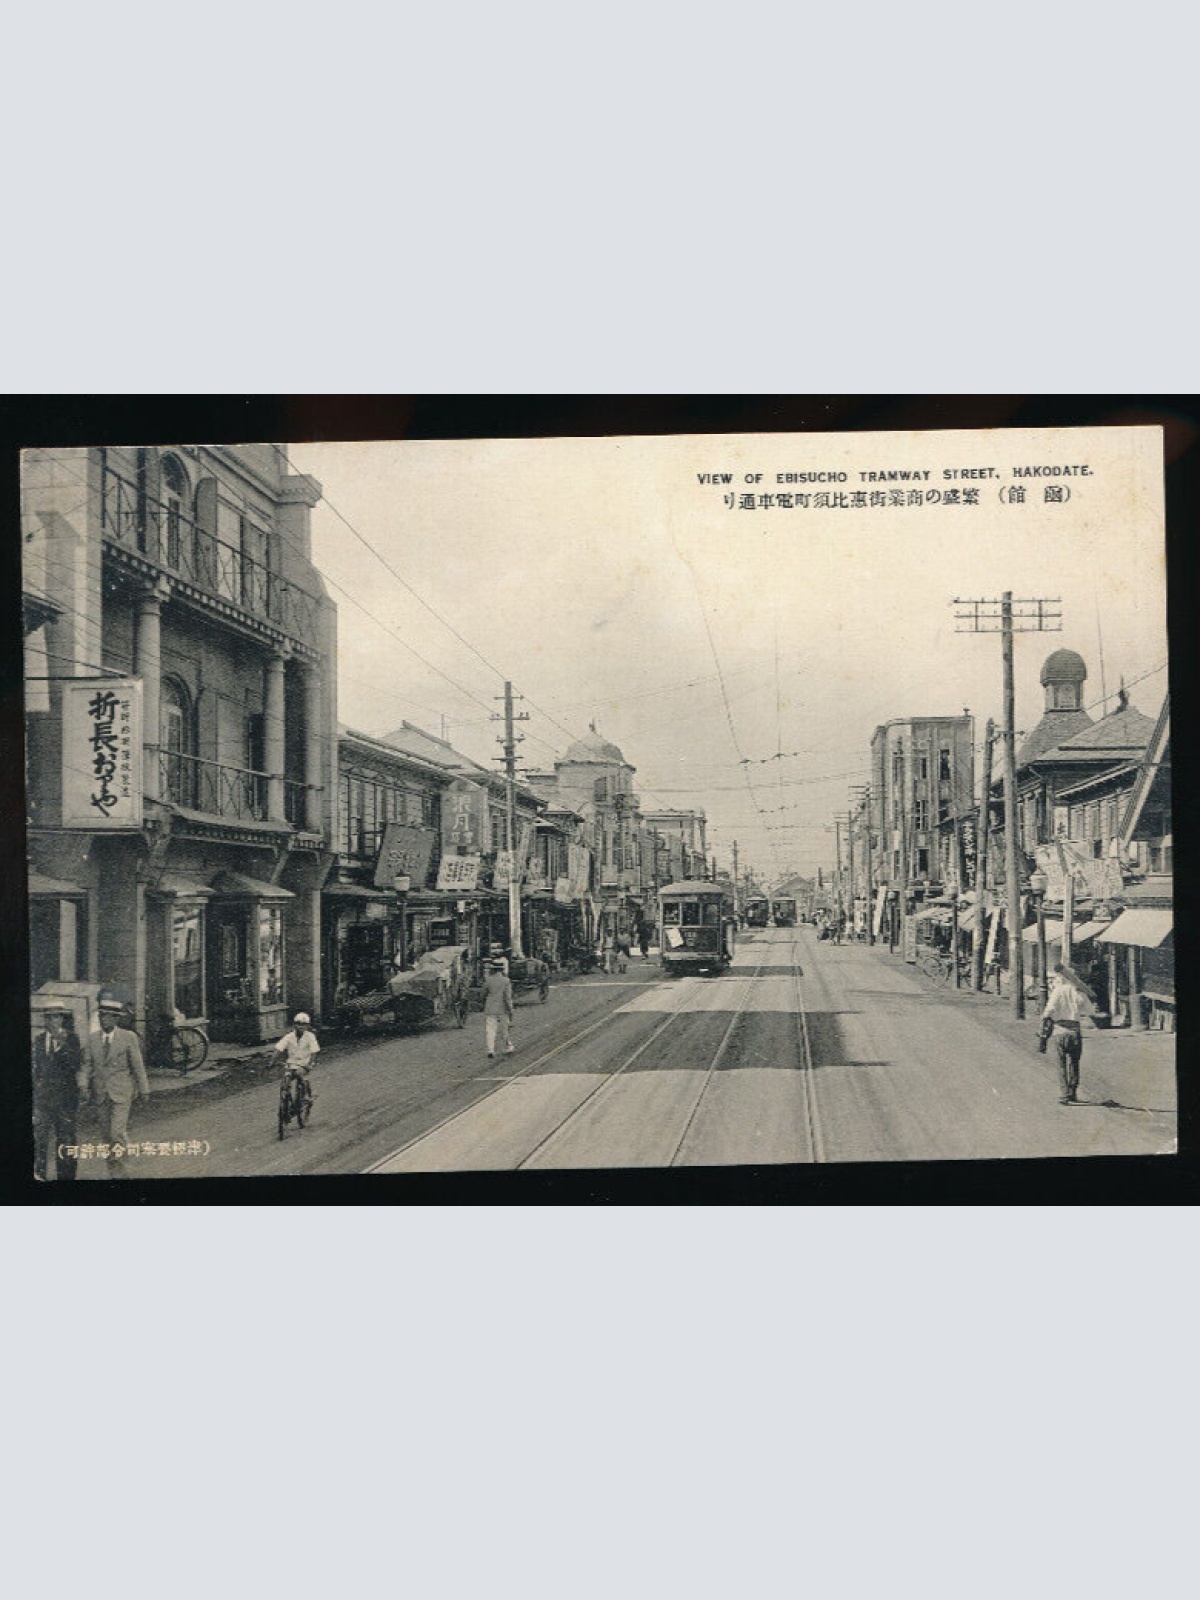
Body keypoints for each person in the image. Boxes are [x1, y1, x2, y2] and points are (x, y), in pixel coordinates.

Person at [79, 1000, 149, 1178]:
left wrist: (144, 1089)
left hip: (122, 1092)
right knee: (106, 1136)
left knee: (116, 1132)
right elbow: (87, 1065)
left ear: (116, 1019)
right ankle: (113, 1174)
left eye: (109, 1016)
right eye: (102, 1015)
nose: (104, 1019)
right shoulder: (93, 1039)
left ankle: (126, 1173)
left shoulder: (128, 1037)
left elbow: (137, 1066)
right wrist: (83, 1084)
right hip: (101, 1093)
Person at [33, 1003, 82, 1181]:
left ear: (61, 1018)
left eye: (55, 1016)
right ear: (44, 1020)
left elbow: (75, 1065)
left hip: (65, 1100)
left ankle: (67, 1180)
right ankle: (40, 1178)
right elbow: (36, 1070)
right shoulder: (38, 1040)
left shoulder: (72, 1039)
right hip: (43, 1100)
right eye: (48, 1017)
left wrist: (62, 1043)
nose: (52, 1021)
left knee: (66, 1141)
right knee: (40, 1142)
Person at [1040, 964, 1090, 1105]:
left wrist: (1044, 1021)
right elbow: (1090, 1010)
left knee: (1061, 1064)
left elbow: (1048, 1011)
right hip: (1075, 1031)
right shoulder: (1079, 992)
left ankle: (1064, 1094)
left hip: (1060, 1031)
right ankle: (1072, 1092)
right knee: (1074, 1063)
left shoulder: (1058, 991)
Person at [271, 1012, 321, 1095]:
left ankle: (306, 1095)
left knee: (299, 1074)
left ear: (307, 1026)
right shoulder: (289, 1036)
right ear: (294, 1025)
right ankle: (285, 1099)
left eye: (304, 1024)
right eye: (298, 1024)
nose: (301, 1027)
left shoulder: (310, 1036)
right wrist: (272, 1061)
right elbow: (278, 1049)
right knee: (286, 1078)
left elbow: (314, 1051)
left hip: (305, 1062)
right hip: (291, 1063)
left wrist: (309, 1064)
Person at [483, 959, 515, 1058]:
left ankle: (490, 1049)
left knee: (490, 1029)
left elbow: (483, 994)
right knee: (504, 1028)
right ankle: (507, 1046)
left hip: (490, 1008)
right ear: (501, 970)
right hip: (503, 1008)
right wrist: (511, 1010)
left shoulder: (488, 980)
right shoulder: (506, 981)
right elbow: (507, 997)